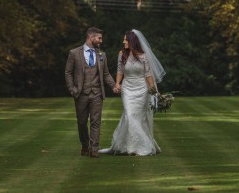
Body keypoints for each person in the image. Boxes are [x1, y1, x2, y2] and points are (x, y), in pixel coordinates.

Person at [99, 29, 166, 156]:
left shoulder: (143, 56)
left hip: (142, 90)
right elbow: (119, 70)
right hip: (127, 89)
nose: (123, 41)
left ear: (132, 41)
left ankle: (136, 147)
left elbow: (148, 75)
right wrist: (117, 84)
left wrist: (154, 91)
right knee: (129, 115)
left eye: (125, 39)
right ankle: (136, 146)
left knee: (138, 118)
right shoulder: (122, 54)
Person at [65, 27, 118, 158]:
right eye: (99, 38)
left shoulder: (102, 55)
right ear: (90, 37)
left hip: (97, 93)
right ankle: (84, 144)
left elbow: (105, 74)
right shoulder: (74, 53)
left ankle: (94, 149)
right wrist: (72, 89)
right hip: (80, 93)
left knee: (96, 121)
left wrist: (113, 86)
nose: (101, 40)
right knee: (82, 122)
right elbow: (68, 72)